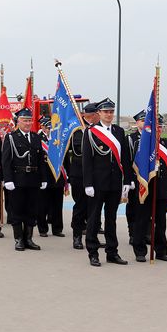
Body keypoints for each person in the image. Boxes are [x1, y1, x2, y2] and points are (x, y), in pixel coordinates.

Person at [82, 97, 132, 267]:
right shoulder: (91, 132)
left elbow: (125, 157)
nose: (109, 114)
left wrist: (128, 179)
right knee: (94, 219)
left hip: (115, 182)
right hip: (97, 183)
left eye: (111, 112)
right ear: (99, 113)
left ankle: (112, 252)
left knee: (111, 219)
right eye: (106, 112)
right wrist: (87, 183)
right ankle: (93, 252)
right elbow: (87, 160)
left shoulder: (119, 132)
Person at [132, 115, 167, 262]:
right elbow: (136, 165)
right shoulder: (142, 144)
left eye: (160, 127)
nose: (158, 129)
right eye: (156, 127)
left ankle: (161, 251)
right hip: (147, 187)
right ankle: (140, 251)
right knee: (142, 220)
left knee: (161, 222)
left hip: (162, 188)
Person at [2, 108, 46, 251]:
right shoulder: (11, 137)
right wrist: (8, 179)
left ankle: (29, 238)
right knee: (17, 209)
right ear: (18, 121)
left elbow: (41, 161)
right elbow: (6, 160)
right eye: (24, 120)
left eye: (29, 120)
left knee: (32, 209)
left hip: (33, 179)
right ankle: (19, 239)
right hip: (17, 179)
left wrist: (43, 178)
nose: (28, 123)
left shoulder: (36, 137)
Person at [66, 102, 100, 249]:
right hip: (79, 174)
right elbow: (79, 150)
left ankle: (93, 238)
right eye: (98, 114)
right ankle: (77, 236)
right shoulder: (78, 130)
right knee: (81, 206)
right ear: (91, 115)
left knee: (95, 208)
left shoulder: (99, 129)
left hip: (96, 174)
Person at [37, 116, 65, 238]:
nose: (49, 129)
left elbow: (64, 158)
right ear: (42, 127)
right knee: (42, 204)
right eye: (47, 127)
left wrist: (66, 175)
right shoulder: (38, 139)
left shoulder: (58, 140)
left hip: (57, 176)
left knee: (57, 204)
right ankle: (43, 229)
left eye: (51, 127)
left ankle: (57, 228)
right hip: (44, 177)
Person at [126, 110, 146, 245]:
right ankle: (132, 233)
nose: (145, 123)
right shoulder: (130, 139)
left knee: (146, 209)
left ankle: (146, 233)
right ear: (137, 122)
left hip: (147, 179)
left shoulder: (151, 139)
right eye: (142, 120)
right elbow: (126, 161)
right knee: (133, 208)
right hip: (135, 179)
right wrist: (129, 179)